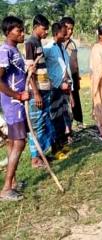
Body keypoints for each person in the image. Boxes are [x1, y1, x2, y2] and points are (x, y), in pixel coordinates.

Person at [0, 16, 31, 201]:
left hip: (16, 103)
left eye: (22, 29)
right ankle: (5, 189)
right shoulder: (4, 51)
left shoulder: (14, 50)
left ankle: (12, 182)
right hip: (13, 104)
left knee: (13, 141)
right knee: (19, 142)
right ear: (7, 32)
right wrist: (17, 95)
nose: (22, 33)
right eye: (18, 30)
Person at [25, 14, 54, 167]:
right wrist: (35, 93)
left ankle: (42, 154)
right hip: (37, 92)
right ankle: (35, 158)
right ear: (36, 27)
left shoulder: (38, 42)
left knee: (44, 122)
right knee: (36, 125)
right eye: (44, 29)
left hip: (45, 89)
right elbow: (30, 72)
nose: (46, 32)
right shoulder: (30, 43)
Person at [44, 22, 73, 158]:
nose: (66, 34)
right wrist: (57, 83)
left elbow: (63, 68)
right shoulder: (48, 48)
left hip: (63, 87)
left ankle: (61, 144)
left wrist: (67, 82)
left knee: (62, 116)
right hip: (54, 88)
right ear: (56, 33)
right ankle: (55, 148)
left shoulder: (62, 47)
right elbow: (44, 70)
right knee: (54, 117)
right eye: (63, 32)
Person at [61, 17, 84, 129]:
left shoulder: (73, 44)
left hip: (73, 76)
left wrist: (77, 74)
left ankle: (79, 122)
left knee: (76, 100)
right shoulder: (56, 43)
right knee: (65, 103)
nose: (70, 31)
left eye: (71, 29)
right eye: (67, 28)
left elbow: (75, 61)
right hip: (62, 79)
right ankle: (66, 128)